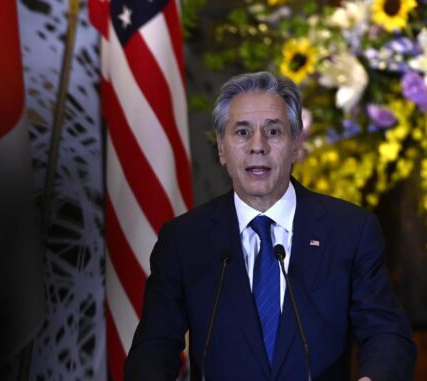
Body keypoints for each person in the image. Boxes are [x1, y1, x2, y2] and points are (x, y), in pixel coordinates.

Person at [124, 72, 416, 380]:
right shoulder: (184, 240)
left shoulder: (351, 231)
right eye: (242, 132)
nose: (257, 146)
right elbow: (152, 348)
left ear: (295, 145)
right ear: (222, 148)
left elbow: (387, 336)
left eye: (273, 131)